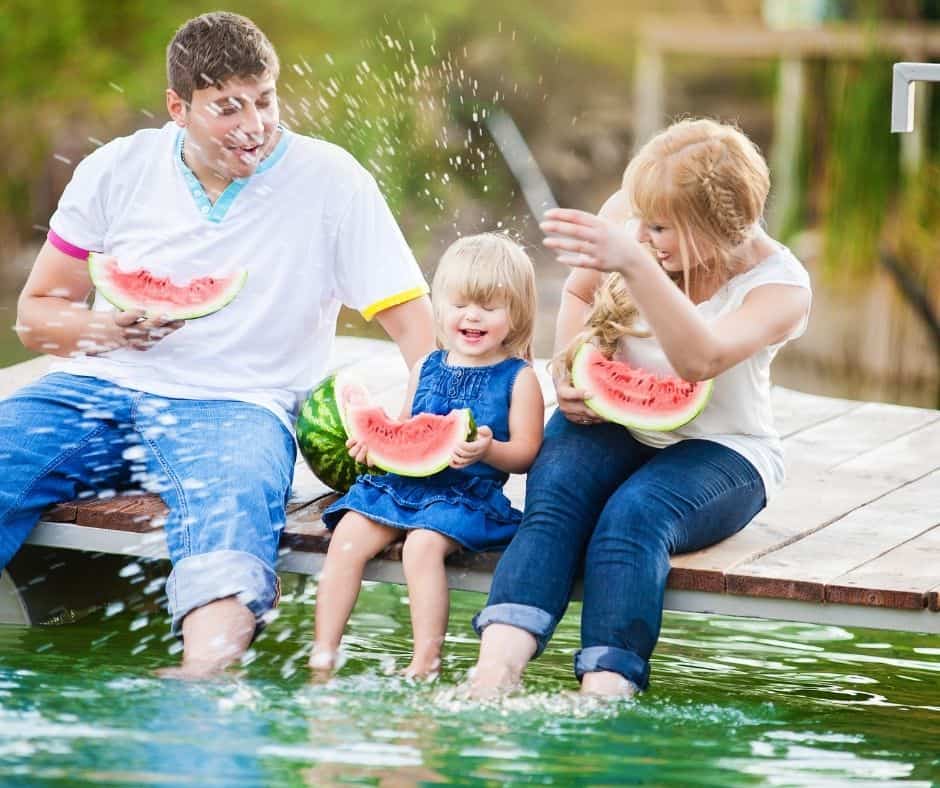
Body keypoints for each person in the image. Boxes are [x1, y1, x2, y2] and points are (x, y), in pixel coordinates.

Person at [1, 12, 435, 678]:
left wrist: (424, 425)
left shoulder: (332, 180)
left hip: (240, 407)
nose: (254, 125)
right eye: (227, 108)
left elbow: (415, 327)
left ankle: (200, 682)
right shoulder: (116, 168)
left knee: (230, 526)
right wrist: (102, 328)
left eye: (264, 101)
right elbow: (36, 315)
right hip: (95, 388)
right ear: (179, 106)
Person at [468, 118, 812, 698]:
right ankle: (492, 675)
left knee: (633, 518)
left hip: (725, 451)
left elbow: (699, 362)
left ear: (714, 224)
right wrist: (567, 366)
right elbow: (579, 292)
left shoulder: (779, 286)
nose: (644, 232)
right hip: (612, 421)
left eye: (661, 227)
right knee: (553, 506)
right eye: (642, 220)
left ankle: (605, 693)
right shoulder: (633, 219)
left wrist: (635, 264)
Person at [311, 233, 544, 679]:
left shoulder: (520, 378)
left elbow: (526, 454)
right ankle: (323, 652)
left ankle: (425, 661)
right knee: (345, 540)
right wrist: (373, 450)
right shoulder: (426, 366)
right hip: (402, 486)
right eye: (460, 304)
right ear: (440, 308)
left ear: (516, 314)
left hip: (464, 497)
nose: (471, 315)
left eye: (489, 307)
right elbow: (404, 430)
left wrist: (489, 449)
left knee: (419, 548)